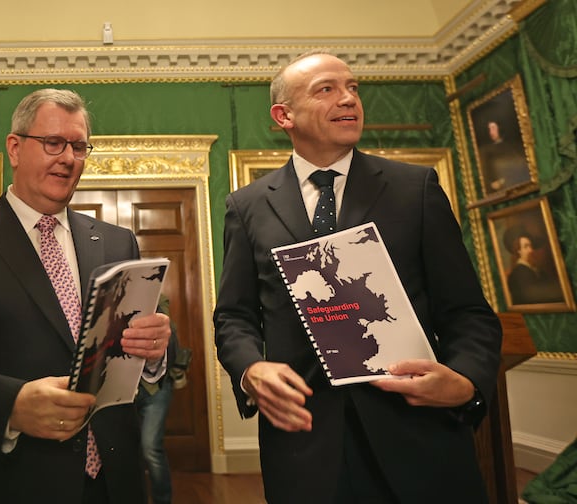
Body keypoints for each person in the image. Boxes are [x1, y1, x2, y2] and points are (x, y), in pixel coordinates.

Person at [214, 51, 503, 503]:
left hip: (418, 438)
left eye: (353, 87)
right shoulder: (247, 207)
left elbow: (468, 312)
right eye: (326, 89)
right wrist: (251, 369)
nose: (348, 98)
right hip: (305, 446)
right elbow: (233, 316)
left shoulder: (415, 189)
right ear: (283, 115)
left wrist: (466, 381)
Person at [0, 88, 172, 504]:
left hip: (115, 483)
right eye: (53, 143)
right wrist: (12, 405)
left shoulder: (117, 244)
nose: (67, 158)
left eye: (78, 146)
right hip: (7, 481)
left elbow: (124, 355)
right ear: (15, 148)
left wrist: (153, 354)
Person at [135, 295, 180, 504]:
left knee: (150, 448)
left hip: (156, 389)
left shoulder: (160, 305)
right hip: (125, 391)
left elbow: (170, 348)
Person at [504, 226, 563, 305]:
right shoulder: (519, 273)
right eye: (526, 246)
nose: (530, 250)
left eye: (530, 246)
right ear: (518, 251)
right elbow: (533, 298)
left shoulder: (535, 269)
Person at [479, 119, 530, 193]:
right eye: (489, 129)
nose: (491, 132)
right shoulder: (486, 151)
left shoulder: (512, 146)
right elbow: (486, 176)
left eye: (493, 128)